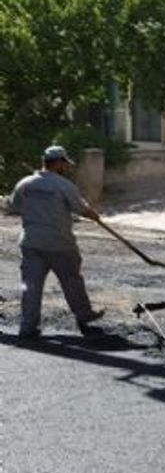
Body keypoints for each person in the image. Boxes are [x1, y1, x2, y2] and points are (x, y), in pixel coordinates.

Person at [8, 145, 106, 340]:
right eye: (65, 163)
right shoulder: (64, 186)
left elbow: (13, 205)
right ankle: (84, 317)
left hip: (31, 242)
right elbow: (80, 208)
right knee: (72, 282)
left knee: (30, 286)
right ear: (59, 163)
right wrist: (93, 215)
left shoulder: (25, 183)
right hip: (60, 243)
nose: (66, 167)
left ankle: (27, 327)